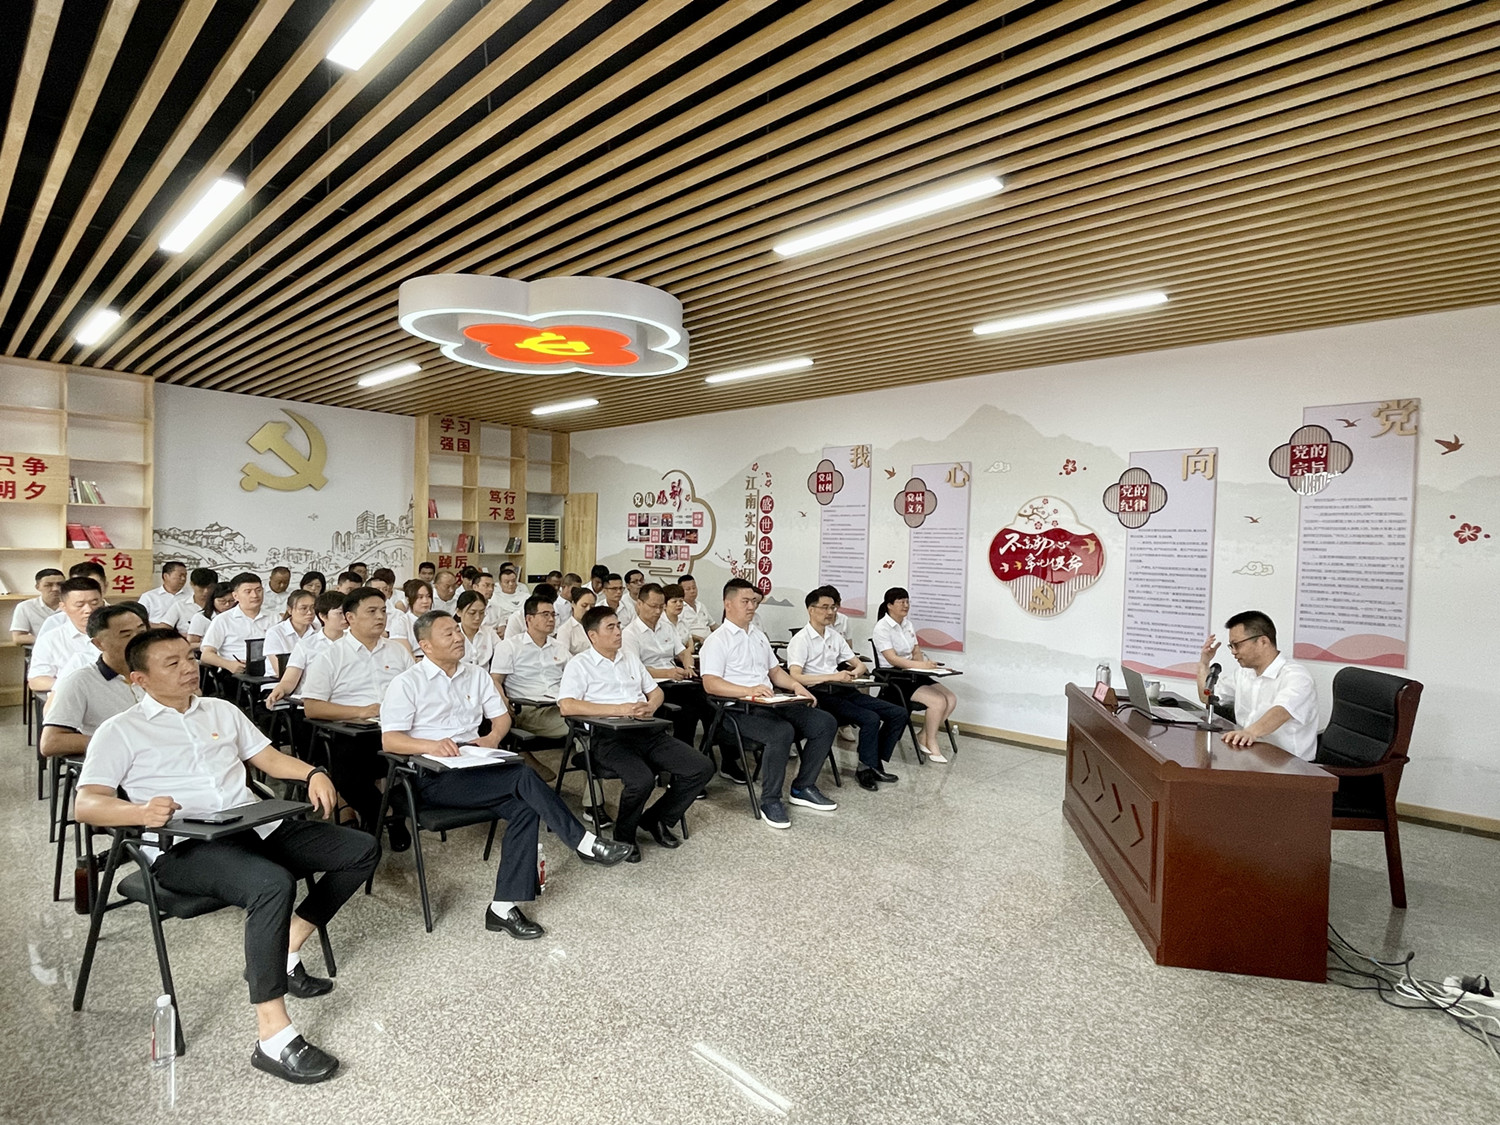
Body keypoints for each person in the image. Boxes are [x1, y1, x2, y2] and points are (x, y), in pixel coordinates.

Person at [76, 628, 378, 1084]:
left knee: (361, 849)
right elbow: (87, 803)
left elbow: (268, 759)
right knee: (271, 883)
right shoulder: (120, 730)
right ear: (140, 679)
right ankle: (272, 1036)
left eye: (189, 657)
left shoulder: (220, 709)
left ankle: (287, 945)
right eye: (172, 663)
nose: (188, 668)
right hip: (184, 847)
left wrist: (313, 772)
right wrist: (138, 812)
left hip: (252, 825)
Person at [381, 611, 634, 937]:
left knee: (525, 807)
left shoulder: (475, 675)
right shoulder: (407, 683)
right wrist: (432, 745)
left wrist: (491, 738)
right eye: (449, 634)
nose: (458, 638)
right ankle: (584, 842)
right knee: (522, 775)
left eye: (458, 631)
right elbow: (391, 740)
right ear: (426, 645)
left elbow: (501, 718)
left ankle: (502, 908)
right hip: (431, 776)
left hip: (475, 765)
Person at [558, 606, 714, 858]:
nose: (618, 632)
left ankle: (656, 819)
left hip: (646, 730)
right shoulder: (580, 664)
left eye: (619, 625)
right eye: (611, 627)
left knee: (701, 767)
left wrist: (651, 706)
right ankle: (624, 834)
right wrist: (619, 709)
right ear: (593, 635)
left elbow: (656, 692)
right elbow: (567, 706)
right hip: (609, 737)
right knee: (641, 780)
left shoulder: (629, 658)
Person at [699, 578, 838, 828]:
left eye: (754, 601)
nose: (752, 606)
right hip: (737, 711)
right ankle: (771, 800)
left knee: (824, 722)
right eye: (745, 601)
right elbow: (711, 683)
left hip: (770, 703)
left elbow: (775, 672)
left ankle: (803, 787)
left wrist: (796, 687)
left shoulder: (758, 636)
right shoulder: (717, 640)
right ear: (728, 604)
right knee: (781, 732)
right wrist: (748, 690)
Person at [301, 588, 413, 832]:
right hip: (352, 732)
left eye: (383, 611)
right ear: (350, 618)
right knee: (348, 768)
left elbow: (417, 692)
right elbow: (312, 707)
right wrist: (361, 711)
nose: (380, 617)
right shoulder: (331, 656)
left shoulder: (397, 651)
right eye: (371, 611)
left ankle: (382, 816)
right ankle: (386, 815)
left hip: (397, 728)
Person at [787, 586, 907, 791]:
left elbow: (858, 664)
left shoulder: (834, 636)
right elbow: (796, 676)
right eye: (825, 607)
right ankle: (864, 768)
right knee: (870, 718)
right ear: (811, 609)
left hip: (843, 689)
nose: (830, 612)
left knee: (898, 713)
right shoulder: (801, 640)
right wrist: (833, 676)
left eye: (833, 607)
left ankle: (874, 763)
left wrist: (855, 672)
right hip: (820, 693)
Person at [1197, 611, 1318, 760]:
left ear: (1263, 641)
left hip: (1290, 764)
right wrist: (1204, 664)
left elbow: (1282, 711)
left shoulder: (1297, 676)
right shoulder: (1243, 673)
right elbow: (1207, 697)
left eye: (1237, 645)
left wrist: (1250, 733)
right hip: (1250, 755)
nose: (1233, 652)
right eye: (1231, 646)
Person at [40, 603, 148, 760]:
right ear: (99, 644)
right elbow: (51, 742)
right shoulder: (80, 682)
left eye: (142, 632)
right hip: (118, 762)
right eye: (126, 635)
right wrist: (118, 743)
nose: (139, 640)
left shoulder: (161, 671)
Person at [873, 587, 958, 764]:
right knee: (938, 701)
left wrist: (924, 666)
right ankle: (932, 741)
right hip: (895, 676)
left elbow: (916, 650)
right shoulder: (882, 627)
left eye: (907, 601)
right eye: (901, 602)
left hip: (913, 672)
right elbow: (892, 659)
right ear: (889, 605)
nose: (906, 605)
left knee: (950, 698)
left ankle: (924, 735)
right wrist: (920, 665)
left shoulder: (908, 624)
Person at [622, 583, 705, 746]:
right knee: (689, 708)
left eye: (661, 607)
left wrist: (688, 667)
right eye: (653, 606)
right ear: (640, 604)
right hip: (654, 685)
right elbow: (636, 670)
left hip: (677, 681)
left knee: (707, 701)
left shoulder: (667, 627)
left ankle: (716, 747)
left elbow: (683, 652)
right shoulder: (629, 634)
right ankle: (683, 750)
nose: (658, 611)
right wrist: (668, 673)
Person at [490, 595, 570, 740]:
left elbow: (576, 675)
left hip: (561, 705)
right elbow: (495, 680)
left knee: (592, 719)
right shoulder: (509, 646)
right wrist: (503, 701)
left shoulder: (559, 647)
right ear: (529, 619)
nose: (551, 619)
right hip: (529, 710)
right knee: (579, 725)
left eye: (553, 614)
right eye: (545, 614)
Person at [266, 593, 347, 705]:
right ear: (323, 616)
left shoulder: (354, 642)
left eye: (348, 613)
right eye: (340, 613)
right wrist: (280, 690)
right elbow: (289, 680)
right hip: (313, 702)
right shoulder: (306, 645)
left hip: (348, 699)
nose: (345, 618)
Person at [27, 577, 103, 691]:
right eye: (80, 605)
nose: (88, 610)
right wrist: (76, 685)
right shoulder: (51, 639)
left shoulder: (120, 632)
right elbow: (36, 680)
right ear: (63, 607)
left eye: (94, 603)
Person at [200, 572, 276, 675]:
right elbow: (206, 655)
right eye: (248, 591)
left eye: (258, 590)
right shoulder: (223, 620)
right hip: (236, 673)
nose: (255, 595)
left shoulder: (275, 618)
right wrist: (229, 665)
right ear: (235, 596)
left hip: (270, 671)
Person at [263, 590, 319, 676]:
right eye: (303, 608)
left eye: (313, 608)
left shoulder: (318, 630)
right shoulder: (275, 633)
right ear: (290, 610)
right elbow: (280, 670)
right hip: (279, 681)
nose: (310, 612)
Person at [8, 567, 64, 643]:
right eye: (48, 585)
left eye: (60, 584)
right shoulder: (25, 607)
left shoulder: (74, 605)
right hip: (40, 646)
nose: (55, 589)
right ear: (38, 587)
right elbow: (18, 637)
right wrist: (49, 641)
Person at [388, 579, 432, 656]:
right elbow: (404, 654)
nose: (425, 601)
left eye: (428, 596)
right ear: (408, 600)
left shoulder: (439, 619)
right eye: (420, 597)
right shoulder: (400, 622)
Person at [137, 561, 188, 627]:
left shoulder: (191, 596)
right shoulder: (148, 597)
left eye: (185, 576)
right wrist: (162, 627)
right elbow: (138, 620)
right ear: (166, 576)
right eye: (180, 575)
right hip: (156, 632)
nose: (183, 579)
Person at [455, 590, 496, 667]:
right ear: (459, 612)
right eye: (472, 613)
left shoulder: (489, 632)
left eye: (481, 613)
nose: (477, 618)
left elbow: (503, 651)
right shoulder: (451, 634)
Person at [187, 582, 235, 646]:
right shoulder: (201, 617)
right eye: (222, 601)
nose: (227, 604)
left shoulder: (238, 616)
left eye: (232, 601)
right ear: (212, 600)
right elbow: (191, 643)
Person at [556, 585, 596, 657]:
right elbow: (563, 656)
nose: (588, 609)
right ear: (573, 604)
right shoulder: (565, 630)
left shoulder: (598, 625)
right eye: (584, 605)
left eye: (592, 606)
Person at [486, 566, 526, 635]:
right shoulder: (494, 597)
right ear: (500, 583)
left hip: (522, 629)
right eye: (507, 582)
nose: (511, 584)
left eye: (513, 581)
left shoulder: (526, 597)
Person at [677, 574, 714, 642]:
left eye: (694, 588)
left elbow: (713, 625)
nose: (692, 591)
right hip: (695, 642)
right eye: (688, 589)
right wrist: (698, 638)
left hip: (710, 640)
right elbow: (680, 633)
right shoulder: (679, 608)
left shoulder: (701, 605)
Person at [660, 583, 695, 657]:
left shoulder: (684, 622)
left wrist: (685, 655)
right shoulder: (659, 623)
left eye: (681, 601)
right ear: (664, 605)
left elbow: (691, 647)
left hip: (684, 658)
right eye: (674, 601)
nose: (679, 604)